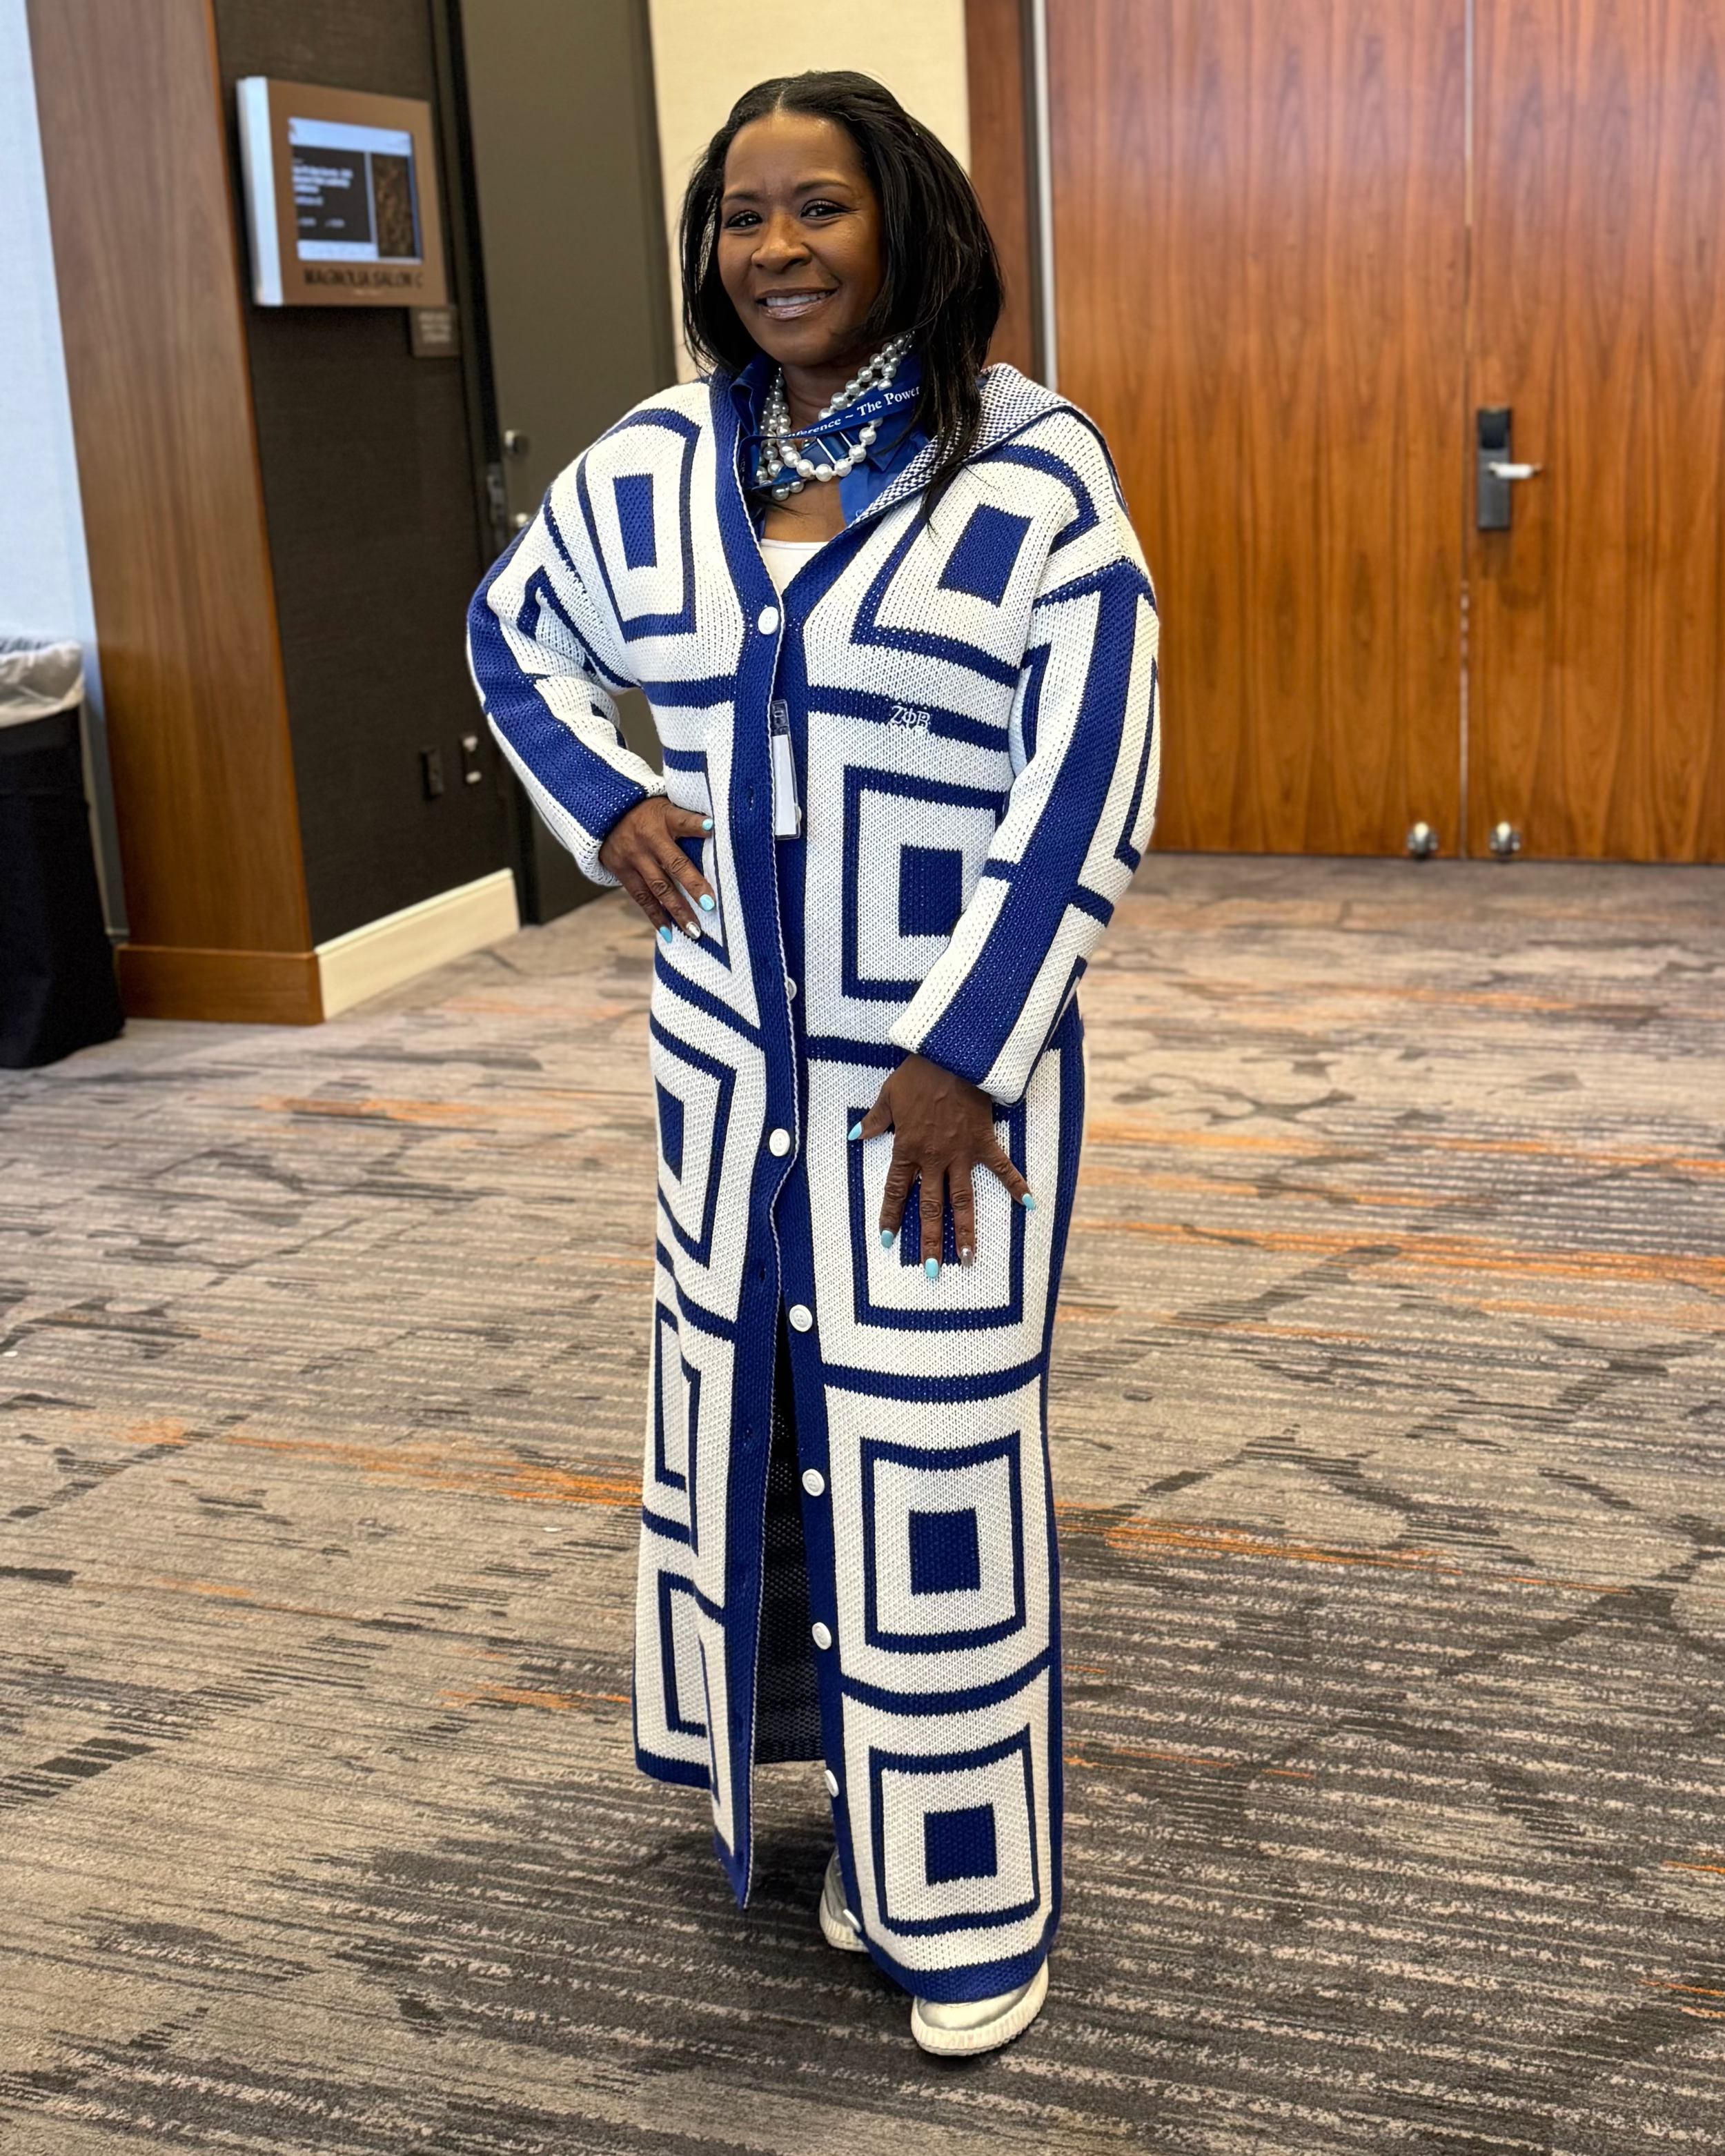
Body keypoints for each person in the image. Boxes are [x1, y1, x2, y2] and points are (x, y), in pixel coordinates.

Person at [466, 69, 1159, 2057]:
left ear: (905, 224)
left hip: (935, 1094)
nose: (771, 250)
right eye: (738, 215)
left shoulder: (1023, 478)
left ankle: (965, 1896)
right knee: (764, 1419)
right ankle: (839, 1791)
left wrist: (964, 1054)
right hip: (723, 1085)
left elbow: (1090, 777)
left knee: (932, 1450)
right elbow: (510, 635)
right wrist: (602, 802)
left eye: (816, 209)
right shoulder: (660, 464)